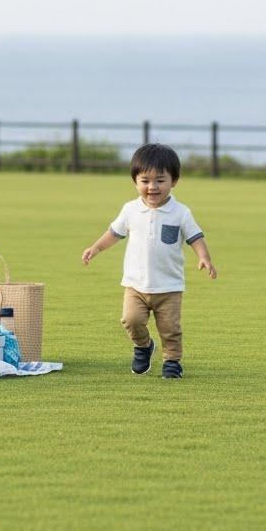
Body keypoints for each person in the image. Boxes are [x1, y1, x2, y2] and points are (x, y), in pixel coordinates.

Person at [81, 143, 218, 379]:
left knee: (170, 329)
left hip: (169, 286)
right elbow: (114, 233)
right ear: (135, 181)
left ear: (174, 181)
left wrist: (204, 257)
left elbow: (195, 237)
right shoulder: (130, 210)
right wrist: (96, 248)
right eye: (145, 181)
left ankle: (172, 362)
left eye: (160, 180)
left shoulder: (181, 212)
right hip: (136, 284)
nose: (152, 187)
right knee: (130, 320)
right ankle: (143, 346)